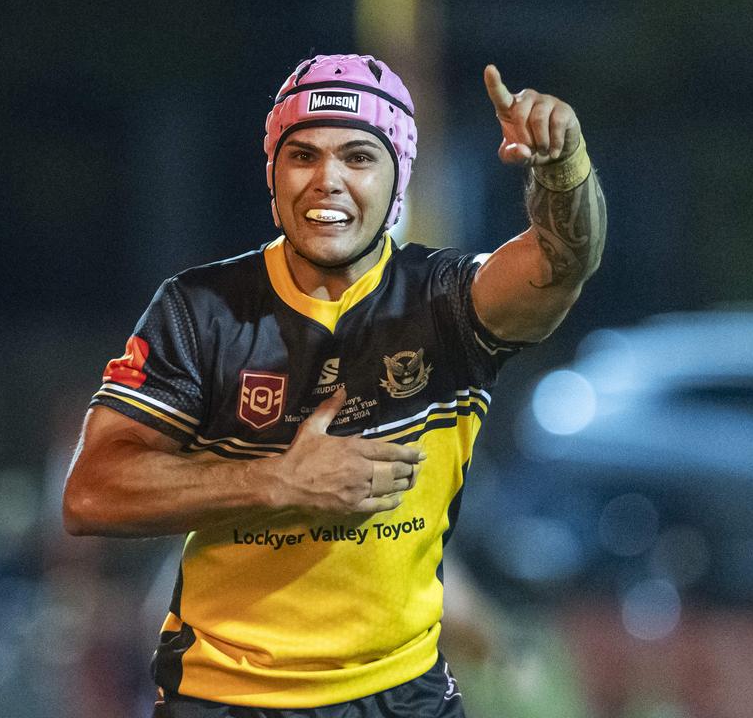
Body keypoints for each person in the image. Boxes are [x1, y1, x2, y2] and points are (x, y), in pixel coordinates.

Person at [63, 53, 607, 718]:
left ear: (398, 178)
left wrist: (564, 168)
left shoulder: (450, 302)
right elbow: (91, 492)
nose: (328, 180)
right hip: (229, 696)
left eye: (358, 157)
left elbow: (562, 262)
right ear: (273, 174)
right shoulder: (201, 310)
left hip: (404, 697)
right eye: (303, 156)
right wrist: (278, 481)